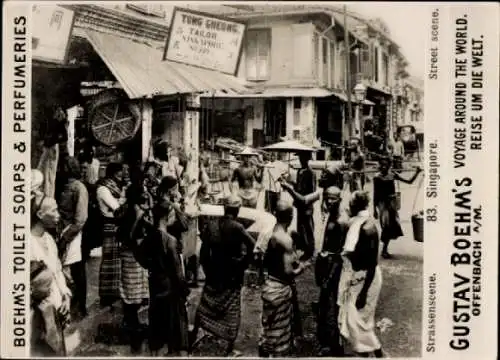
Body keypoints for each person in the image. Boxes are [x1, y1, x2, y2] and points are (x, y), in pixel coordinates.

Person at [190, 194, 255, 356]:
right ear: (237, 209)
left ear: (224, 208)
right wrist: (243, 264)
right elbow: (253, 245)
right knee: (232, 311)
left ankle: (194, 336)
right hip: (231, 275)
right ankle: (230, 348)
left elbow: (203, 253)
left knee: (206, 305)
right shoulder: (237, 227)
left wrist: (207, 270)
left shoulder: (211, 225)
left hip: (214, 273)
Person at [140, 177, 190, 356]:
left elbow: (141, 256)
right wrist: (184, 290)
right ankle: (171, 349)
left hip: (156, 274)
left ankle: (157, 349)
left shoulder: (152, 235)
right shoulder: (168, 233)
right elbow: (184, 225)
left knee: (157, 313)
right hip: (168, 267)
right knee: (172, 316)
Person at [259, 200, 309, 357]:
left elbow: (263, 260)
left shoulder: (269, 234)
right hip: (280, 289)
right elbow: (288, 272)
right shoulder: (286, 240)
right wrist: (302, 267)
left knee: (268, 328)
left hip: (269, 285)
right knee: (280, 335)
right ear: (291, 216)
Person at [337, 191, 384, 358]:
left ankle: (373, 353)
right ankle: (377, 353)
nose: (348, 206)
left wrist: (363, 292)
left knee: (357, 323)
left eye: (351, 203)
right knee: (360, 322)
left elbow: (372, 264)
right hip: (358, 277)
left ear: (357, 206)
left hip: (367, 280)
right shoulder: (357, 223)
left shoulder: (367, 228)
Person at [31, 193, 72, 356]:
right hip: (37, 315)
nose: (58, 215)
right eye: (54, 211)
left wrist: (66, 297)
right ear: (40, 215)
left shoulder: (48, 239)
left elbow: (57, 271)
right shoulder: (26, 244)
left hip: (55, 309)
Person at [117, 181, 152, 353]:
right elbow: (137, 237)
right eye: (144, 192)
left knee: (128, 291)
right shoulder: (138, 213)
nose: (146, 194)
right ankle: (133, 328)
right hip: (134, 254)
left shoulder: (125, 209)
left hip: (125, 253)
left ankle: (132, 324)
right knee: (134, 292)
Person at [314, 187, 348, 356]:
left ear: (339, 200)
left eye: (333, 199)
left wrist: (329, 276)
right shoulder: (331, 216)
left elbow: (340, 254)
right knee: (325, 305)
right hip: (326, 263)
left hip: (334, 267)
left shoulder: (341, 221)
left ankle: (334, 345)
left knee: (332, 307)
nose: (329, 201)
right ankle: (328, 341)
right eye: (327, 198)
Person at [57, 157, 89, 319]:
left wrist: (66, 237)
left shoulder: (79, 188)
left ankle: (80, 307)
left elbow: (81, 218)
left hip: (73, 234)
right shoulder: (63, 185)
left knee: (76, 271)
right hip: (62, 231)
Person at [373, 157, 422, 258]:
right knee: (386, 226)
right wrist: (374, 209)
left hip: (391, 203)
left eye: (386, 165)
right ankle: (383, 250)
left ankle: (384, 249)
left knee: (392, 226)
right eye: (381, 165)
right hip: (382, 204)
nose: (383, 167)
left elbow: (409, 182)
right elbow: (375, 194)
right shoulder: (377, 177)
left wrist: (417, 173)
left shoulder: (392, 175)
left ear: (389, 166)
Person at [96, 163, 127, 307]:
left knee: (115, 260)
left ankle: (113, 292)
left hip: (115, 225)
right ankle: (107, 294)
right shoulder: (103, 189)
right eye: (120, 173)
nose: (122, 176)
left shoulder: (113, 187)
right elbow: (116, 208)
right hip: (110, 224)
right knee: (109, 260)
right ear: (114, 174)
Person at [290, 151, 317, 261]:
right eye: (300, 157)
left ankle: (310, 250)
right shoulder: (299, 171)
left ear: (307, 158)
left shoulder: (311, 173)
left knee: (308, 227)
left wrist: (308, 204)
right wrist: (292, 184)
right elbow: (298, 188)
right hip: (299, 203)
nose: (301, 160)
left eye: (303, 157)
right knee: (300, 225)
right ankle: (303, 245)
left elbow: (313, 191)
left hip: (306, 204)